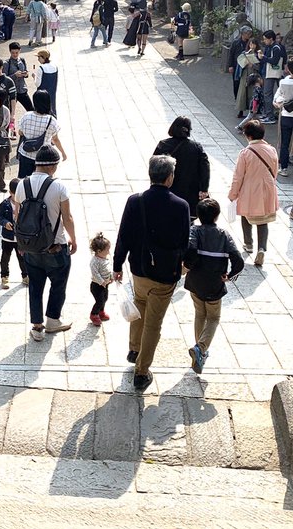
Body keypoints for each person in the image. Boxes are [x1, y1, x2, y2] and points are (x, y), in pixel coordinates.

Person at [112, 154, 191, 393]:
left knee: (139, 307)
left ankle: (134, 349)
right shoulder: (181, 205)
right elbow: (184, 242)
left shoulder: (135, 201)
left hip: (139, 269)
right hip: (165, 274)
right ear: (169, 178)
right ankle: (142, 371)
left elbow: (123, 235)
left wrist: (117, 265)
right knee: (153, 324)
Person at [13, 145, 76, 341]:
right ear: (53, 166)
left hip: (31, 247)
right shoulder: (59, 187)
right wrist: (73, 238)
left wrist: (21, 244)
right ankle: (53, 320)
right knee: (58, 284)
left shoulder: (22, 185)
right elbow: (68, 217)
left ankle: (37, 327)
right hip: (55, 246)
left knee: (35, 286)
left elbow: (17, 216)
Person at [182, 198, 244, 375]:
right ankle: (200, 348)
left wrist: (187, 267)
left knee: (199, 314)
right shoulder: (224, 235)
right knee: (213, 318)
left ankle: (199, 350)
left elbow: (190, 250)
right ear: (217, 216)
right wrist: (229, 276)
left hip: (195, 282)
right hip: (214, 284)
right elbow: (238, 262)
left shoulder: (194, 230)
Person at [228, 118, 279, 268]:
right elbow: (274, 171)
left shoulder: (245, 153)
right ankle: (262, 248)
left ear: (248, 136)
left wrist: (233, 194)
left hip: (250, 189)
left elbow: (238, 176)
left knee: (246, 214)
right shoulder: (272, 150)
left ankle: (248, 243)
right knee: (263, 220)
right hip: (268, 188)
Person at [153, 115, 211, 218]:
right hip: (189, 194)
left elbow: (154, 165)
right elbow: (205, 168)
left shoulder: (163, 145)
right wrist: (204, 189)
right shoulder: (196, 147)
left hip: (167, 191)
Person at [17, 89, 66, 177]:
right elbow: (55, 140)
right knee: (41, 183)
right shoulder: (51, 120)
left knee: (24, 182)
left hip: (25, 154)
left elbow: (20, 132)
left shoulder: (26, 116)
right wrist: (63, 153)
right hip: (43, 158)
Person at [0, 177, 27, 289]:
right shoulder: (5, 204)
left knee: (23, 258)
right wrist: (5, 223)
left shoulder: (25, 204)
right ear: (10, 193)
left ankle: (25, 275)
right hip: (8, 238)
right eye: (15, 194)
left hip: (20, 238)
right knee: (5, 258)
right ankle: (4, 277)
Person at [259, 30, 286, 122]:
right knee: (268, 93)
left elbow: (275, 60)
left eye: (265, 39)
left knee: (268, 93)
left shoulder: (275, 48)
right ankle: (268, 113)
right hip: (269, 71)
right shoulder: (271, 46)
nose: (264, 41)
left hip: (271, 72)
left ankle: (270, 115)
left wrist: (263, 58)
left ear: (271, 39)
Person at [88, 232, 114, 326]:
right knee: (99, 300)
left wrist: (110, 277)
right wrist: (102, 281)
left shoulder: (104, 258)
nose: (108, 252)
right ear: (99, 251)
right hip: (97, 285)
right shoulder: (95, 261)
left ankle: (101, 312)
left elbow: (108, 269)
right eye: (107, 250)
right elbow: (95, 273)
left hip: (105, 284)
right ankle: (94, 314)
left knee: (105, 298)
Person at [226, 24, 254, 106]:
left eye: (249, 34)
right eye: (247, 33)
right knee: (236, 83)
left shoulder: (251, 43)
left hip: (247, 66)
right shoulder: (236, 42)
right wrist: (230, 65)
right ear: (242, 34)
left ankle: (245, 101)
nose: (249, 35)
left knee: (246, 84)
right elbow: (231, 54)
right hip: (236, 65)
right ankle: (237, 99)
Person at [6, 42, 33, 121]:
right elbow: (4, 78)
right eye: (13, 53)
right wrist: (15, 75)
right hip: (11, 92)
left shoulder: (22, 60)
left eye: (17, 52)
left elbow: (26, 72)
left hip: (22, 90)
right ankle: (11, 130)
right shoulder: (7, 63)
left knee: (31, 110)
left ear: (20, 51)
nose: (15, 54)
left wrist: (25, 74)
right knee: (10, 113)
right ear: (10, 52)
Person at [235, 37, 262, 116]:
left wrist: (253, 65)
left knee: (252, 93)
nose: (252, 46)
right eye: (250, 44)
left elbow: (260, 66)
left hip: (254, 74)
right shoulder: (245, 52)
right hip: (245, 73)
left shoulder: (258, 54)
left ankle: (253, 110)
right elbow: (240, 63)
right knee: (242, 92)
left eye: (253, 44)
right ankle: (240, 110)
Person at [33, 47, 59, 116]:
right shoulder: (55, 67)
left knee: (42, 113)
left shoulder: (41, 68)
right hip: (52, 93)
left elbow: (37, 84)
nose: (38, 59)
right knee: (52, 109)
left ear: (43, 58)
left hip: (42, 95)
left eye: (39, 57)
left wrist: (34, 77)